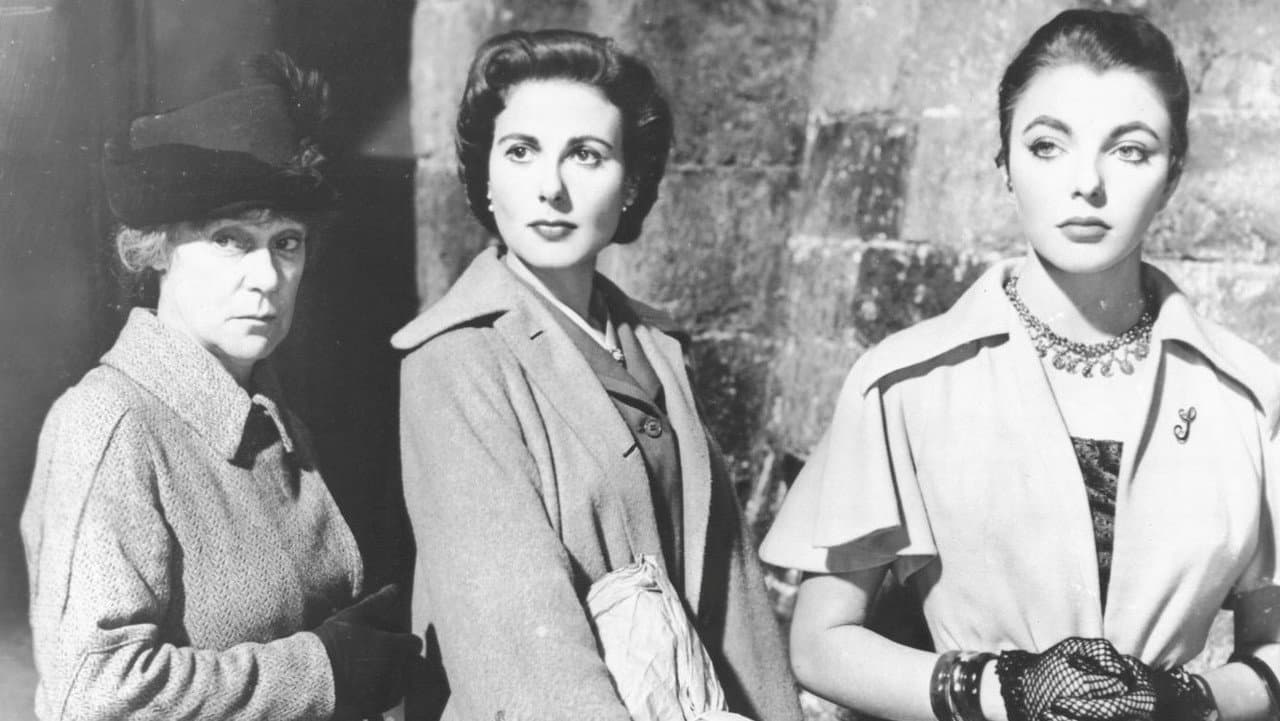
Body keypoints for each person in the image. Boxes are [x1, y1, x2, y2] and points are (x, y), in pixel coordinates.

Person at [760, 9, 1280, 721]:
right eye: (1047, 146)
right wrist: (1000, 688)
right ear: (1004, 163)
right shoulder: (903, 383)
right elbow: (821, 644)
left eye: (1130, 150)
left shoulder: (1249, 397)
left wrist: (1185, 699)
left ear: (1173, 175)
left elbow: (1274, 646)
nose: (1086, 183)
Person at [393, 29, 803, 721]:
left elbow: (735, 603)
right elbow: (521, 654)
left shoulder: (656, 348)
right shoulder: (456, 361)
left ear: (631, 183)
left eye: (585, 154)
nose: (550, 187)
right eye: (520, 151)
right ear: (486, 177)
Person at [21, 53, 421, 721]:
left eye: (286, 242)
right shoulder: (110, 422)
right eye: (230, 239)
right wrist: (321, 670)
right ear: (156, 249)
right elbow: (93, 695)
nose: (267, 276)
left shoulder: (268, 415)